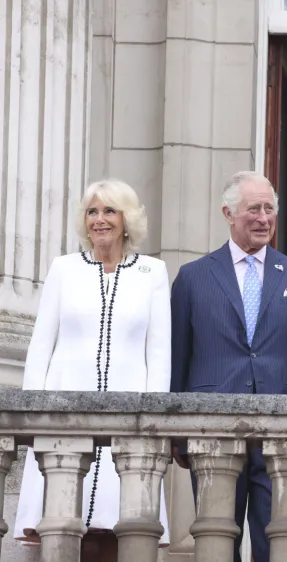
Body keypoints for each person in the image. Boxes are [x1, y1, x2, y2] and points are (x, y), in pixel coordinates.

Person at [171, 171, 287, 562]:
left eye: (269, 209)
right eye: (253, 209)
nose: (263, 218)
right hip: (211, 427)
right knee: (216, 539)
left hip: (283, 432)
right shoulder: (193, 277)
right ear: (228, 213)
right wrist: (175, 430)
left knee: (279, 541)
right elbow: (177, 358)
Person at [15, 179, 171, 561]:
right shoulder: (63, 269)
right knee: (62, 525)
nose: (100, 220)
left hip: (129, 421)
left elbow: (160, 355)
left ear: (127, 219)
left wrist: (155, 426)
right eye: (92, 211)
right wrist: (33, 418)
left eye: (109, 211)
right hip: (63, 417)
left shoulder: (153, 272)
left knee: (121, 528)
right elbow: (40, 348)